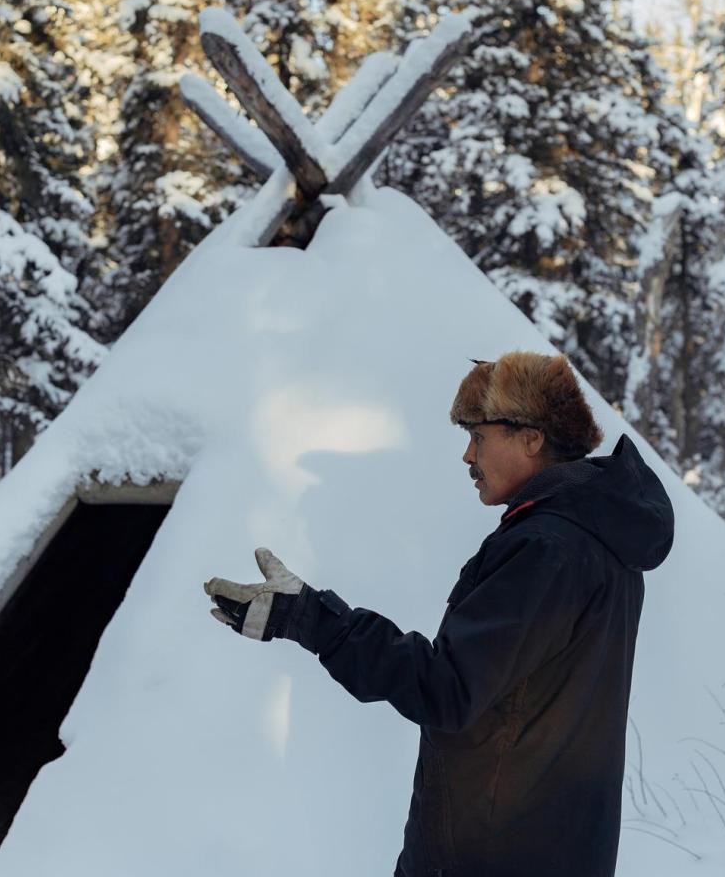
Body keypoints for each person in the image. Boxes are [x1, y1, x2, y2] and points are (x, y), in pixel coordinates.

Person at [204, 350, 674, 877]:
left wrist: (312, 620)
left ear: (532, 437)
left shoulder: (549, 549)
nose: (467, 457)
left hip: (491, 856)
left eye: (478, 437)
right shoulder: (596, 540)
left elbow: (448, 689)